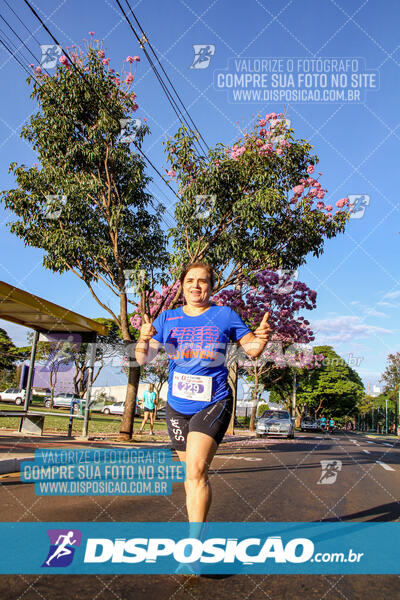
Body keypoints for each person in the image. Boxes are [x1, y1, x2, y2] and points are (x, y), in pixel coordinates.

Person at [135, 262, 271, 530]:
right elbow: (143, 358)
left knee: (196, 471)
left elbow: (252, 349)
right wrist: (142, 337)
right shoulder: (167, 318)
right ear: (182, 285)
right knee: (192, 475)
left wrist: (262, 338)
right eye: (190, 280)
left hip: (213, 402)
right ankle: (201, 524)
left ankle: (193, 544)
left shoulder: (225, 315)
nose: (196, 285)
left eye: (202, 281)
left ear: (211, 286)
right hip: (176, 406)